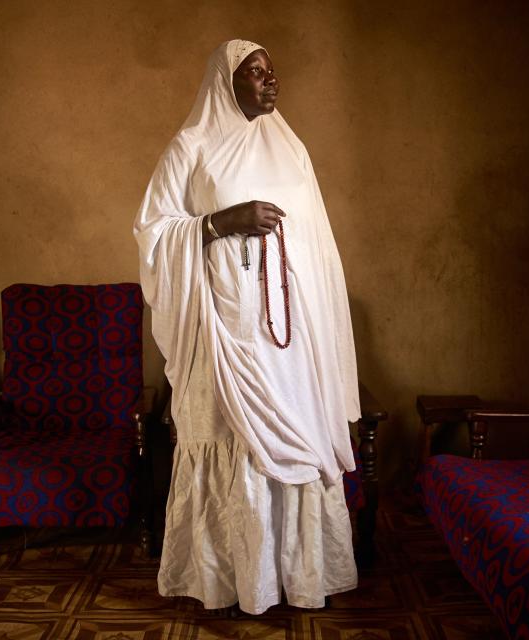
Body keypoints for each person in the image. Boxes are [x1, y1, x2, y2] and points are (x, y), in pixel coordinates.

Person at [134, 39, 361, 615]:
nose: (269, 81)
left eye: (271, 71)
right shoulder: (193, 146)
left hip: (288, 332)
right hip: (222, 329)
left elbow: (318, 245)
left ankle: (300, 577)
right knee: (230, 443)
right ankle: (230, 580)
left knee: (291, 442)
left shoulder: (289, 148)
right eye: (254, 73)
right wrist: (219, 222)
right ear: (224, 84)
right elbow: (155, 232)